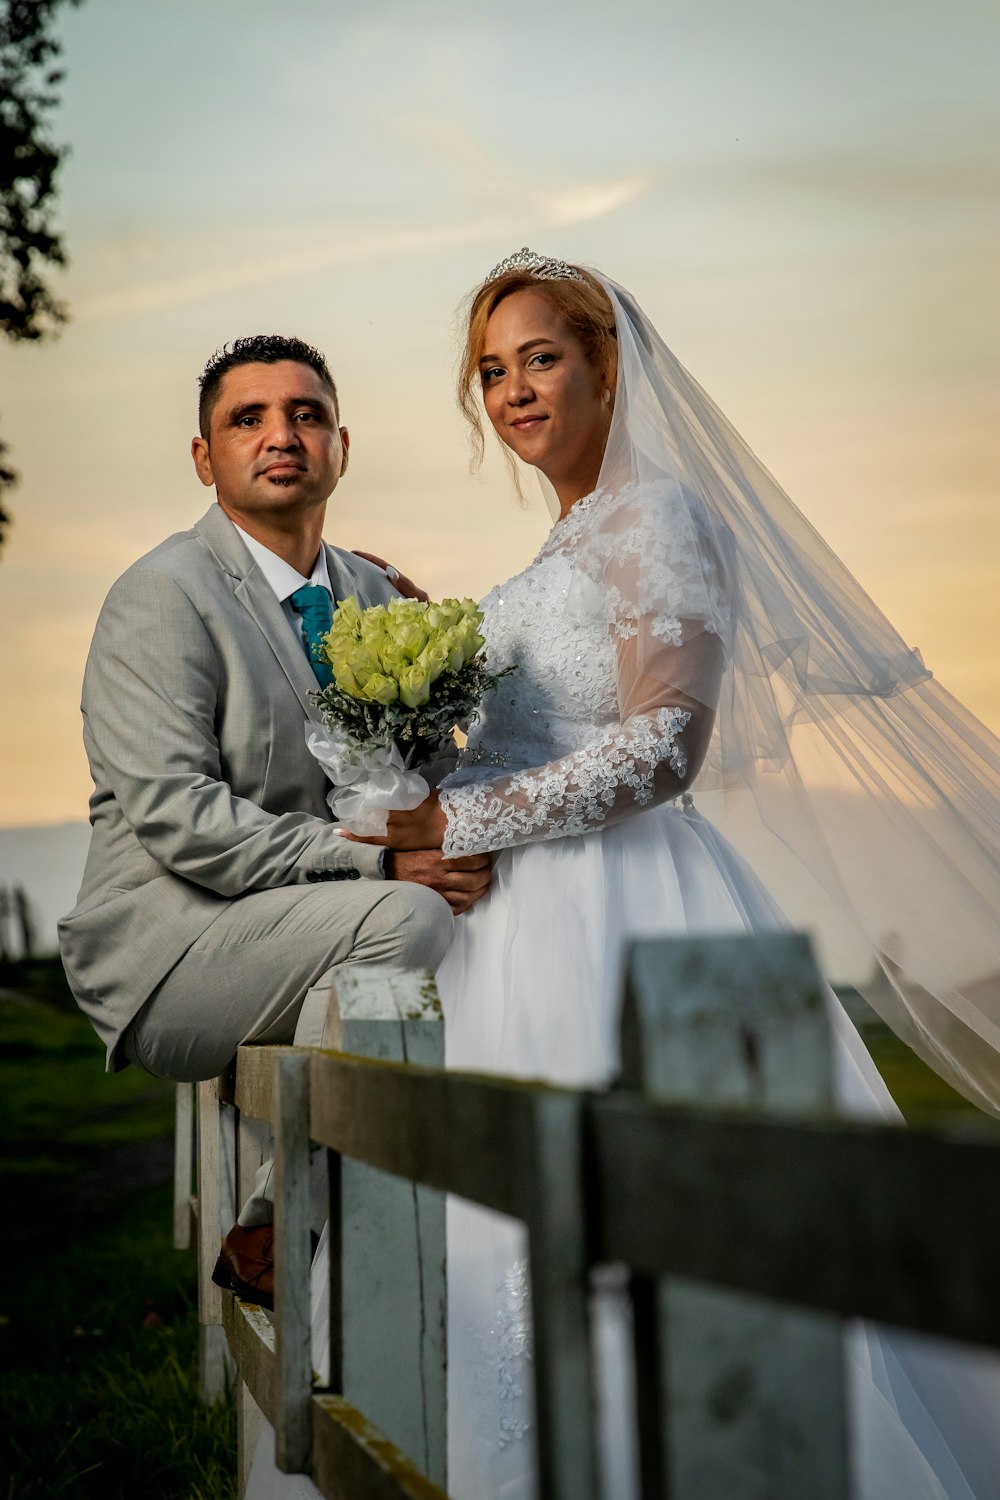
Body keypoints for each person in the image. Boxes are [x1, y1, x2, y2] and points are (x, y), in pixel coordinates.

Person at [349, 250, 1000, 1499]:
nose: (515, 391)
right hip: (517, 924)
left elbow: (661, 745)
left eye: (541, 358)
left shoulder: (662, 519)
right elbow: (545, 713)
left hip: (621, 909)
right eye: (492, 371)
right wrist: (423, 662)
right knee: (505, 1232)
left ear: (608, 368)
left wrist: (457, 816)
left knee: (651, 1241)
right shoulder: (559, 551)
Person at [58, 334, 491, 1297]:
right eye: (245, 419)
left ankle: (489, 1254)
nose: (279, 435)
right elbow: (180, 817)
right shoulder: (160, 597)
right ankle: (277, 1220)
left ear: (342, 444)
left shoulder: (376, 598)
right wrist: (379, 865)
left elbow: (423, 779)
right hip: (173, 949)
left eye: (304, 414)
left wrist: (458, 837)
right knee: (413, 918)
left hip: (315, 926)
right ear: (205, 460)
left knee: (498, 909)